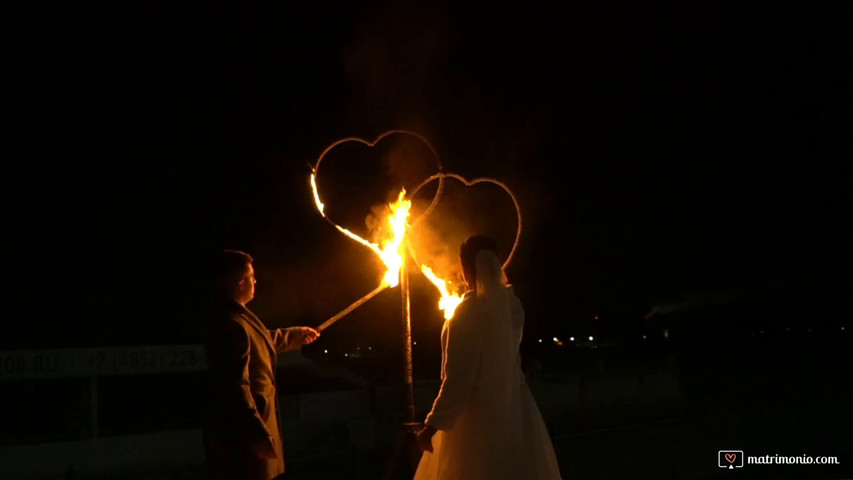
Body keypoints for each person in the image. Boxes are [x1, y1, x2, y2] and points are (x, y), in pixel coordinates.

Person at [414, 235, 562, 479]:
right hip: (514, 411)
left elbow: (458, 381)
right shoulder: (513, 307)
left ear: (465, 268)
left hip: (475, 421)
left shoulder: (466, 314)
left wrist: (430, 427)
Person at [202, 250, 320, 480]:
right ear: (240, 283)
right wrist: (256, 434)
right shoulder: (231, 324)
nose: (256, 281)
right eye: (252, 277)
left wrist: (296, 335)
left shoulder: (239, 319)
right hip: (243, 441)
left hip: (251, 436)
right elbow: (235, 387)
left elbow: (263, 340)